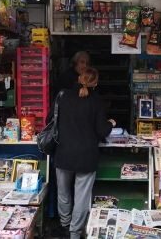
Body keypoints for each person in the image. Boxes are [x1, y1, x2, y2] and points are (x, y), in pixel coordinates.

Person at [53, 67, 115, 239]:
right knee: (82, 196)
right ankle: (74, 232)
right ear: (95, 83)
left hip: (64, 152)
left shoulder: (63, 96)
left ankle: (64, 224)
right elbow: (102, 130)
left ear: (79, 78)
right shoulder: (96, 101)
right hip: (86, 155)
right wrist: (111, 123)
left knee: (63, 192)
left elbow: (50, 120)